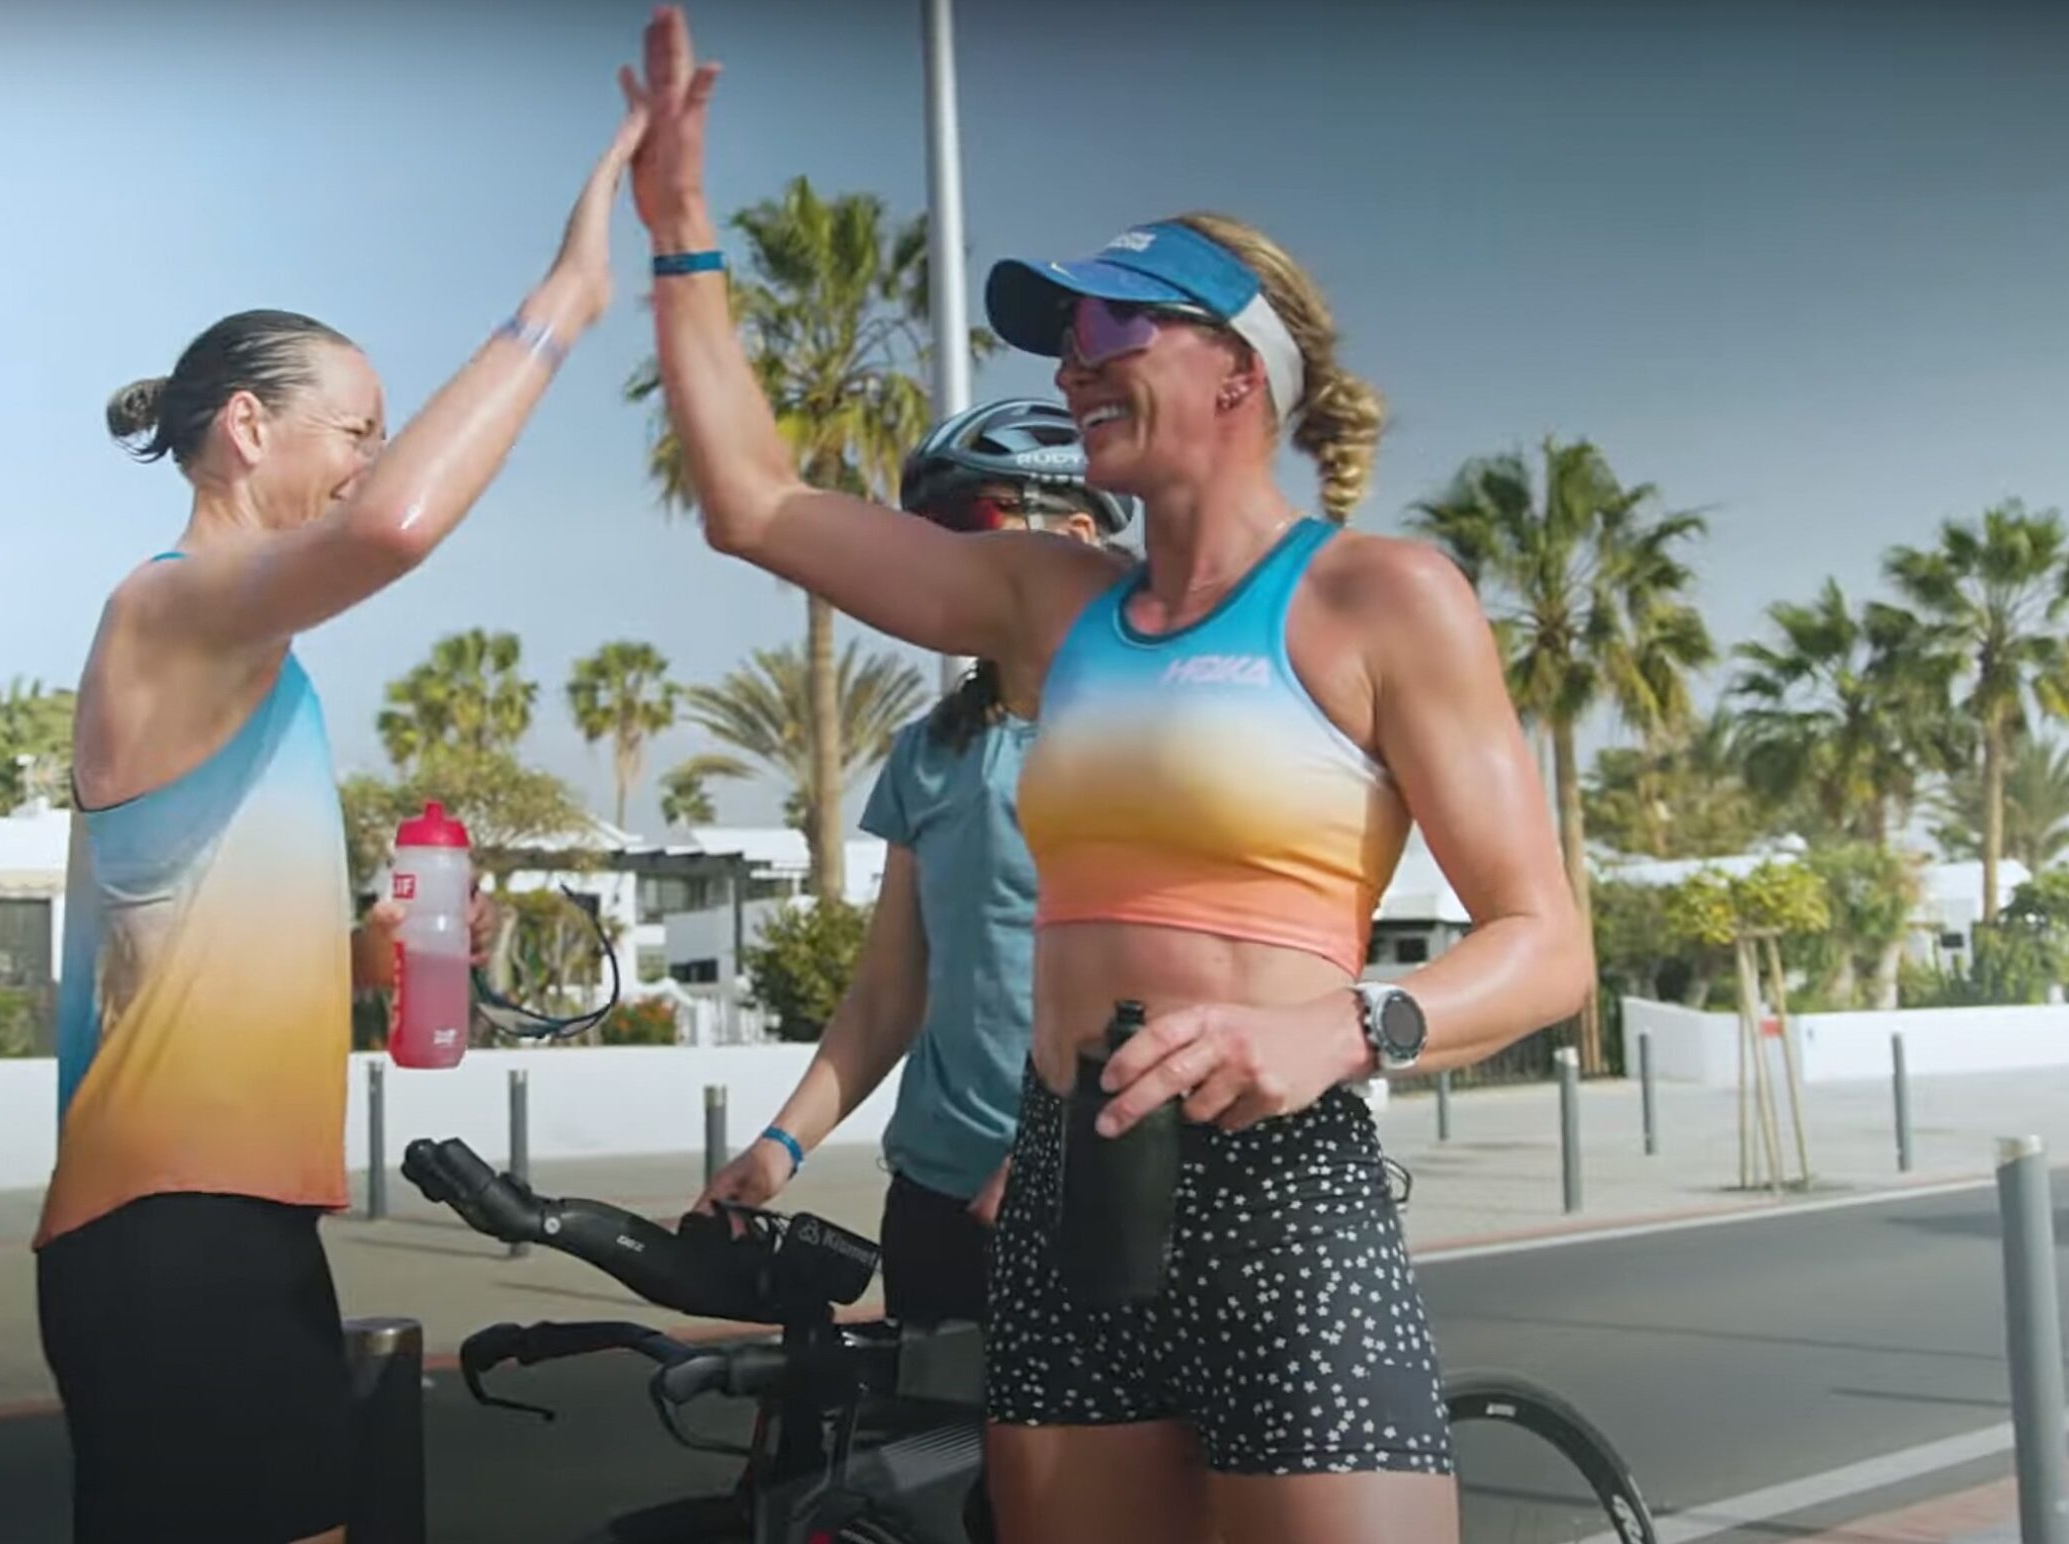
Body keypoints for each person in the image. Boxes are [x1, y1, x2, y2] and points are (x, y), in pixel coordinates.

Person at [617, 10, 1592, 1542]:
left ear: (1236, 372)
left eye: (1111, 333)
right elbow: (751, 503)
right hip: (1069, 1181)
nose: (1074, 368)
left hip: (1284, 1187)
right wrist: (680, 238)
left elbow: (1546, 948)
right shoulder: (1046, 604)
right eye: (1065, 343)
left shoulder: (1378, 599)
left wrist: (1344, 1029)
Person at [31, 103, 646, 1544]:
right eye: (357, 428)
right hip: (168, 1228)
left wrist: (373, 963)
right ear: (249, 427)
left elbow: (185, 965)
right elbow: (391, 531)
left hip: (230, 1224)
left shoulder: (256, 664)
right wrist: (567, 298)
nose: (371, 459)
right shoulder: (165, 607)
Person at [694, 399, 1138, 1329]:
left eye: (973, 531)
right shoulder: (929, 753)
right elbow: (887, 994)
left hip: (1101, 1193)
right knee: (931, 1464)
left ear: (1083, 534)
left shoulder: (1158, 738)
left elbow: (1185, 981)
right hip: (939, 1199)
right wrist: (779, 1148)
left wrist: (1068, 1159)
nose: (945, 571)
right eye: (928, 542)